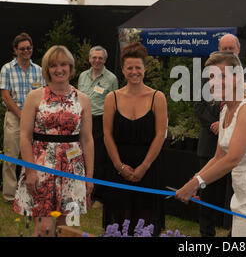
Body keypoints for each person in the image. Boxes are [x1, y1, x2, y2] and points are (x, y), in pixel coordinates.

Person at [175, 51, 246, 237]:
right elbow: (219, 156)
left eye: (222, 76)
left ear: (238, 76)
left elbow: (233, 158)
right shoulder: (225, 109)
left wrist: (196, 183)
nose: (215, 82)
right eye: (211, 77)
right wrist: (195, 180)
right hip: (242, 191)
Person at [13, 45, 94, 237]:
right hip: (41, 169)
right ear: (47, 69)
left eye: (64, 64)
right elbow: (24, 137)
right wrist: (30, 171)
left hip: (73, 170)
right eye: (54, 65)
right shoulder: (34, 97)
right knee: (44, 229)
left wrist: (89, 176)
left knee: (64, 229)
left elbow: (87, 139)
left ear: (71, 67)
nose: (59, 69)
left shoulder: (83, 99)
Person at [102, 42, 167, 235]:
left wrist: (144, 167)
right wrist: (119, 166)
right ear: (123, 70)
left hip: (148, 168)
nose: (134, 71)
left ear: (144, 69)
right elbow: (107, 135)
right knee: (119, 220)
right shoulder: (111, 98)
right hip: (118, 168)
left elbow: (160, 135)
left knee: (145, 220)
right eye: (129, 68)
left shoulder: (158, 97)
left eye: (138, 67)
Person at [193, 34, 238, 237]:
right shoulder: (206, 75)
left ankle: (234, 232)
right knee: (208, 192)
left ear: (238, 50)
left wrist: (226, 123)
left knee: (236, 193)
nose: (227, 52)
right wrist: (215, 124)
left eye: (231, 48)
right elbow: (198, 106)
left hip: (237, 145)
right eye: (224, 48)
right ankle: (206, 233)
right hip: (210, 143)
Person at [0, 32, 45, 204]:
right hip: (14, 117)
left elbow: (44, 94)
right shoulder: (7, 69)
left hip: (36, 120)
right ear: (15, 50)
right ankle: (10, 196)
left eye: (28, 48)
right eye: (22, 49)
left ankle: (31, 192)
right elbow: (5, 96)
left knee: (34, 158)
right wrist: (22, 115)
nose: (25, 51)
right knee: (11, 157)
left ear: (32, 49)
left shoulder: (39, 70)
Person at [77, 46, 118, 205]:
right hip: (81, 121)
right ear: (89, 59)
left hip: (100, 122)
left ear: (105, 60)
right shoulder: (82, 76)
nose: (97, 60)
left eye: (100, 58)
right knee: (80, 157)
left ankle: (98, 197)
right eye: (94, 57)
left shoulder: (112, 79)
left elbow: (115, 103)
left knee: (99, 159)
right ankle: (83, 193)